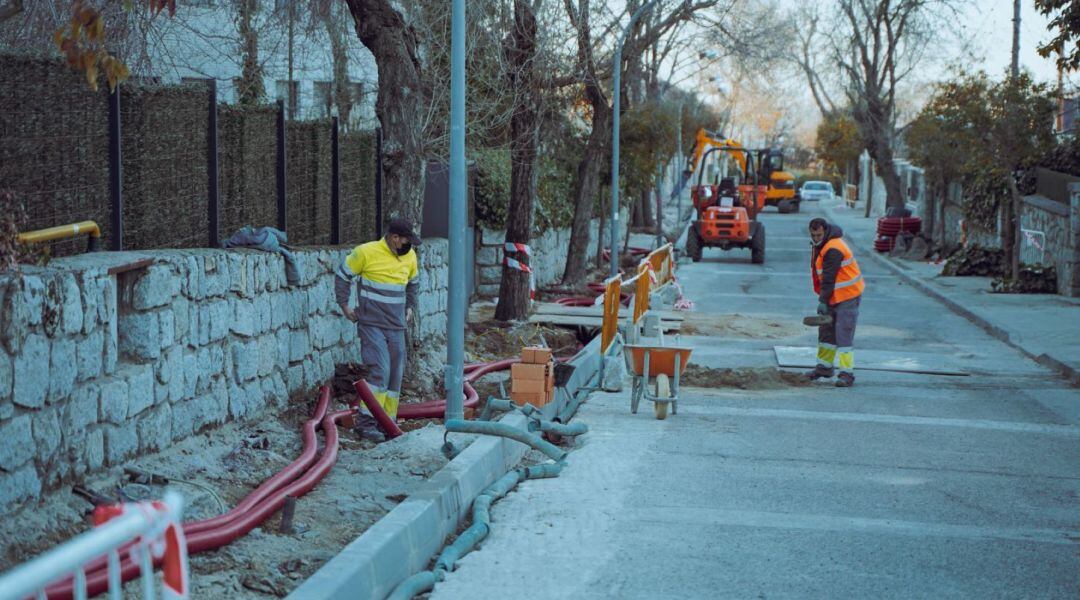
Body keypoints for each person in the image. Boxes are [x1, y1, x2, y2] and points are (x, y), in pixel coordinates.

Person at [335, 219, 421, 430]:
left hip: (396, 326)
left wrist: (410, 307)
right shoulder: (365, 252)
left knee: (395, 375)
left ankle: (387, 422)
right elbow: (342, 275)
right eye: (406, 240)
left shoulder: (410, 256)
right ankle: (366, 423)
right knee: (380, 371)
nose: (409, 245)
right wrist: (345, 306)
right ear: (394, 238)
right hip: (371, 324)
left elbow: (413, 284)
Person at [806, 217, 864, 387]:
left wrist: (823, 301)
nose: (816, 238)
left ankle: (847, 374)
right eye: (813, 235)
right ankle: (824, 368)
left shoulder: (833, 248)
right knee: (826, 331)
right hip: (834, 295)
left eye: (818, 235)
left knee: (843, 333)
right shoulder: (823, 244)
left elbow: (829, 277)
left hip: (847, 295)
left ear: (826, 231)